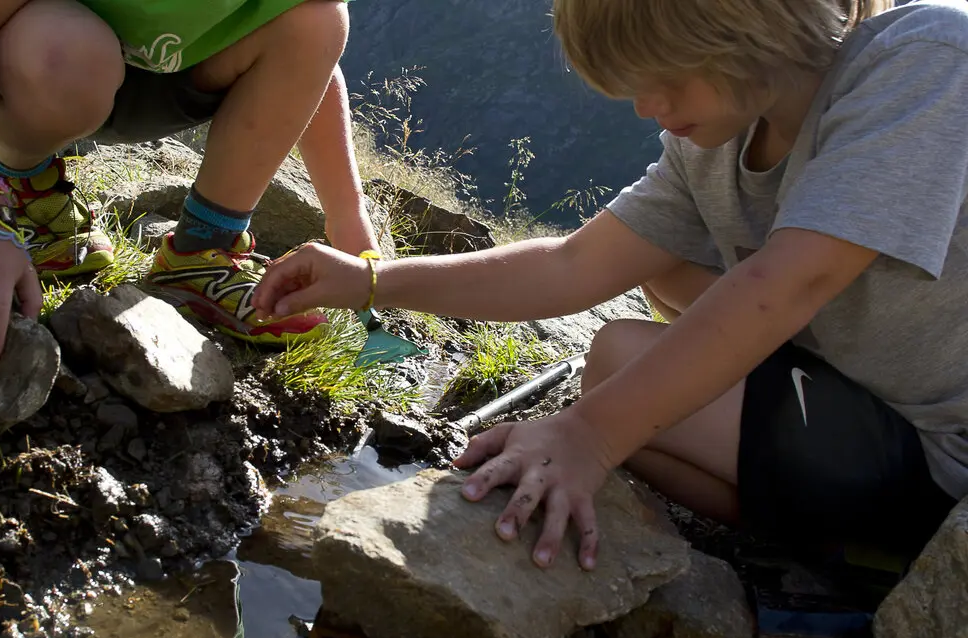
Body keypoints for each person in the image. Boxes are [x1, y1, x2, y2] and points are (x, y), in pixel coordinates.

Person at [252, 0, 968, 571]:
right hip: (859, 408)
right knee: (622, 353)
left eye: (665, 75)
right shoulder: (708, 148)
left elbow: (793, 280)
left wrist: (588, 437)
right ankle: (857, 554)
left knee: (619, 400)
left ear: (745, 24)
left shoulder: (922, 60)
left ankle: (910, 556)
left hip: (945, 453)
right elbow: (572, 266)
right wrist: (373, 280)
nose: (646, 106)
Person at [0, 0, 383, 373]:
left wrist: (347, 215)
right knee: (66, 55)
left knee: (318, 17)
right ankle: (21, 185)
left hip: (170, 78)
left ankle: (200, 252)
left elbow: (311, 47)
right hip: (40, 57)